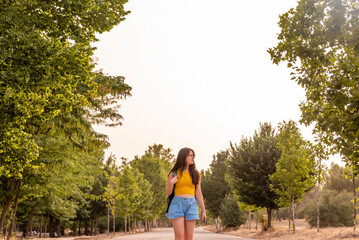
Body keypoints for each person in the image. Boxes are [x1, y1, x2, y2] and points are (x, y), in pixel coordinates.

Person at [166, 147, 206, 240]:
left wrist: (203, 210)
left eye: (193, 156)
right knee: (179, 237)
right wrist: (171, 183)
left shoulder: (196, 174)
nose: (193, 158)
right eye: (190, 156)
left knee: (189, 238)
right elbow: (168, 193)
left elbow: (198, 193)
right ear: (183, 157)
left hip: (192, 205)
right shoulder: (174, 173)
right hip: (176, 204)